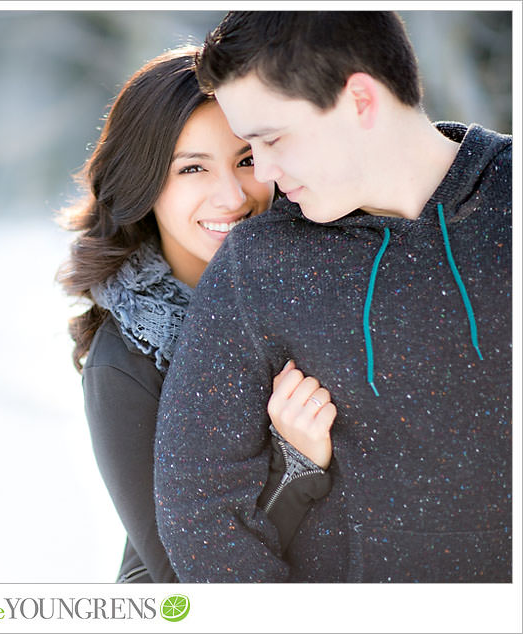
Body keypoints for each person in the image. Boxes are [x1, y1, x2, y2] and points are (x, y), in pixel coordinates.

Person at [154, 11, 512, 582]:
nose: (264, 173)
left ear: (361, 100)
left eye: (270, 139)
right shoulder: (260, 261)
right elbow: (200, 507)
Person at [57, 46, 336, 583]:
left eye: (246, 160)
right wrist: (295, 466)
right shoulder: (124, 363)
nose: (231, 196)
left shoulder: (317, 281)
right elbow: (183, 581)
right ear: (144, 185)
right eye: (192, 168)